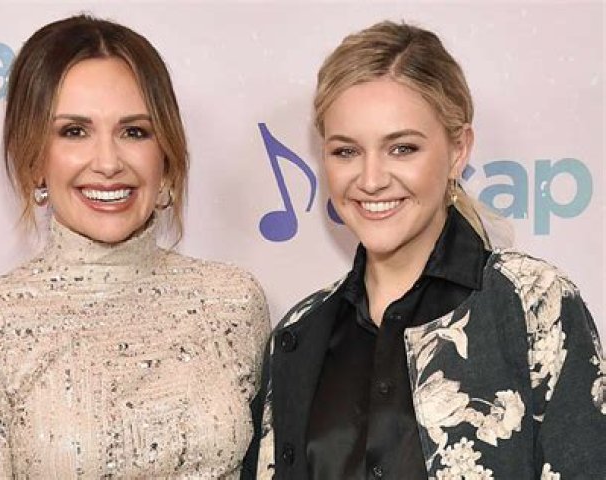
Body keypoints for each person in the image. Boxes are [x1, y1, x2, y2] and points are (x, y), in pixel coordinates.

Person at [243, 21, 605, 479]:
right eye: (346, 152)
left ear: (458, 150)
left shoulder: (531, 304)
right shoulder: (301, 331)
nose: (371, 179)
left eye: (402, 148)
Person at [0, 14, 270, 478]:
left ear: (166, 157)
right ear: (34, 158)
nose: (108, 162)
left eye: (134, 132)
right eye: (74, 131)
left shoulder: (233, 302)